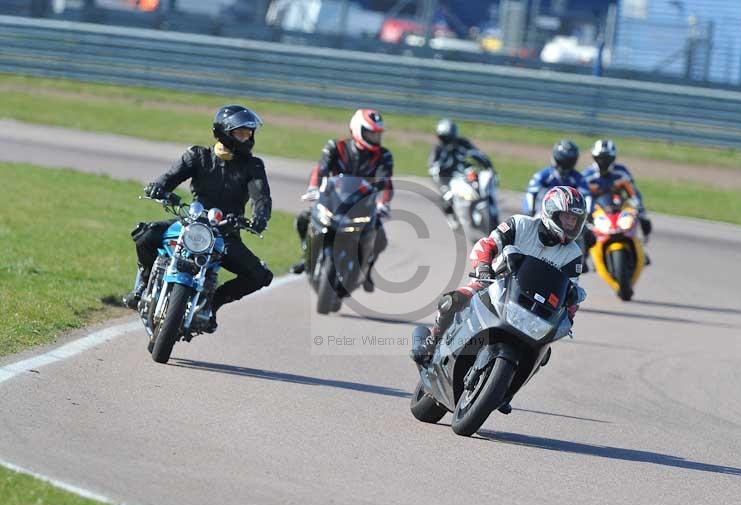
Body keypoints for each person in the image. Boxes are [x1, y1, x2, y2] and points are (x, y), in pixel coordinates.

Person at [411, 186, 589, 408]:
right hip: (493, 283)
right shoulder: (520, 224)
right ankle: (431, 344)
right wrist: (484, 268)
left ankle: (505, 390)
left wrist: (569, 315)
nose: (570, 224)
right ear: (550, 211)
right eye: (566, 217)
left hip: (535, 308)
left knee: (543, 352)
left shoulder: (573, 254)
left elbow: (571, 289)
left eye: (575, 219)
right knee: (454, 301)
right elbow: (486, 245)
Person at [123, 104, 273, 332]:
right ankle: (142, 287)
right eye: (241, 133)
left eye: (249, 133)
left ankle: (212, 305)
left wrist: (260, 218)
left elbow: (261, 197)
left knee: (259, 275)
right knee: (145, 234)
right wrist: (158, 187)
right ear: (224, 132)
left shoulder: (253, 166)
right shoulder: (198, 156)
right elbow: (170, 177)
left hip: (225, 233)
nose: (247, 138)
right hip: (191, 224)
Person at [290, 109, 394, 293]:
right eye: (370, 133)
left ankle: (367, 270)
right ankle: (306, 255)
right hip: (332, 200)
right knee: (303, 219)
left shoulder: (384, 156)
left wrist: (383, 203)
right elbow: (320, 169)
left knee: (381, 238)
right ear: (357, 129)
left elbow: (385, 183)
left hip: (363, 206)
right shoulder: (335, 147)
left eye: (377, 134)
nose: (375, 138)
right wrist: (314, 188)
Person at [582, 139, 652, 238]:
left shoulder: (621, 171)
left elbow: (633, 192)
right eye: (600, 158)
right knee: (583, 235)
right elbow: (582, 195)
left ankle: (638, 249)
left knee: (640, 219)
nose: (603, 162)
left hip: (619, 208)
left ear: (613, 158)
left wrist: (641, 212)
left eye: (607, 158)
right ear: (594, 157)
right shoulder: (587, 175)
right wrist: (586, 215)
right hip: (597, 211)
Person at [428, 118, 494, 215]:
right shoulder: (438, 150)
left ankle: (485, 204)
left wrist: (488, 165)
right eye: (443, 137)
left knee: (479, 179)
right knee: (447, 200)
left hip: (466, 172)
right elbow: (433, 170)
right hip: (451, 180)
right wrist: (444, 188)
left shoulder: (462, 143)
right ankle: (454, 217)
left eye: (447, 137)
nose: (445, 140)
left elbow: (477, 154)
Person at [523, 139, 590, 216]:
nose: (565, 165)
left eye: (569, 161)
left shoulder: (578, 178)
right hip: (543, 213)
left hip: (569, 215)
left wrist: (587, 214)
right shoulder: (543, 175)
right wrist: (530, 211)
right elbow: (531, 192)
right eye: (563, 161)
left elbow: (587, 195)